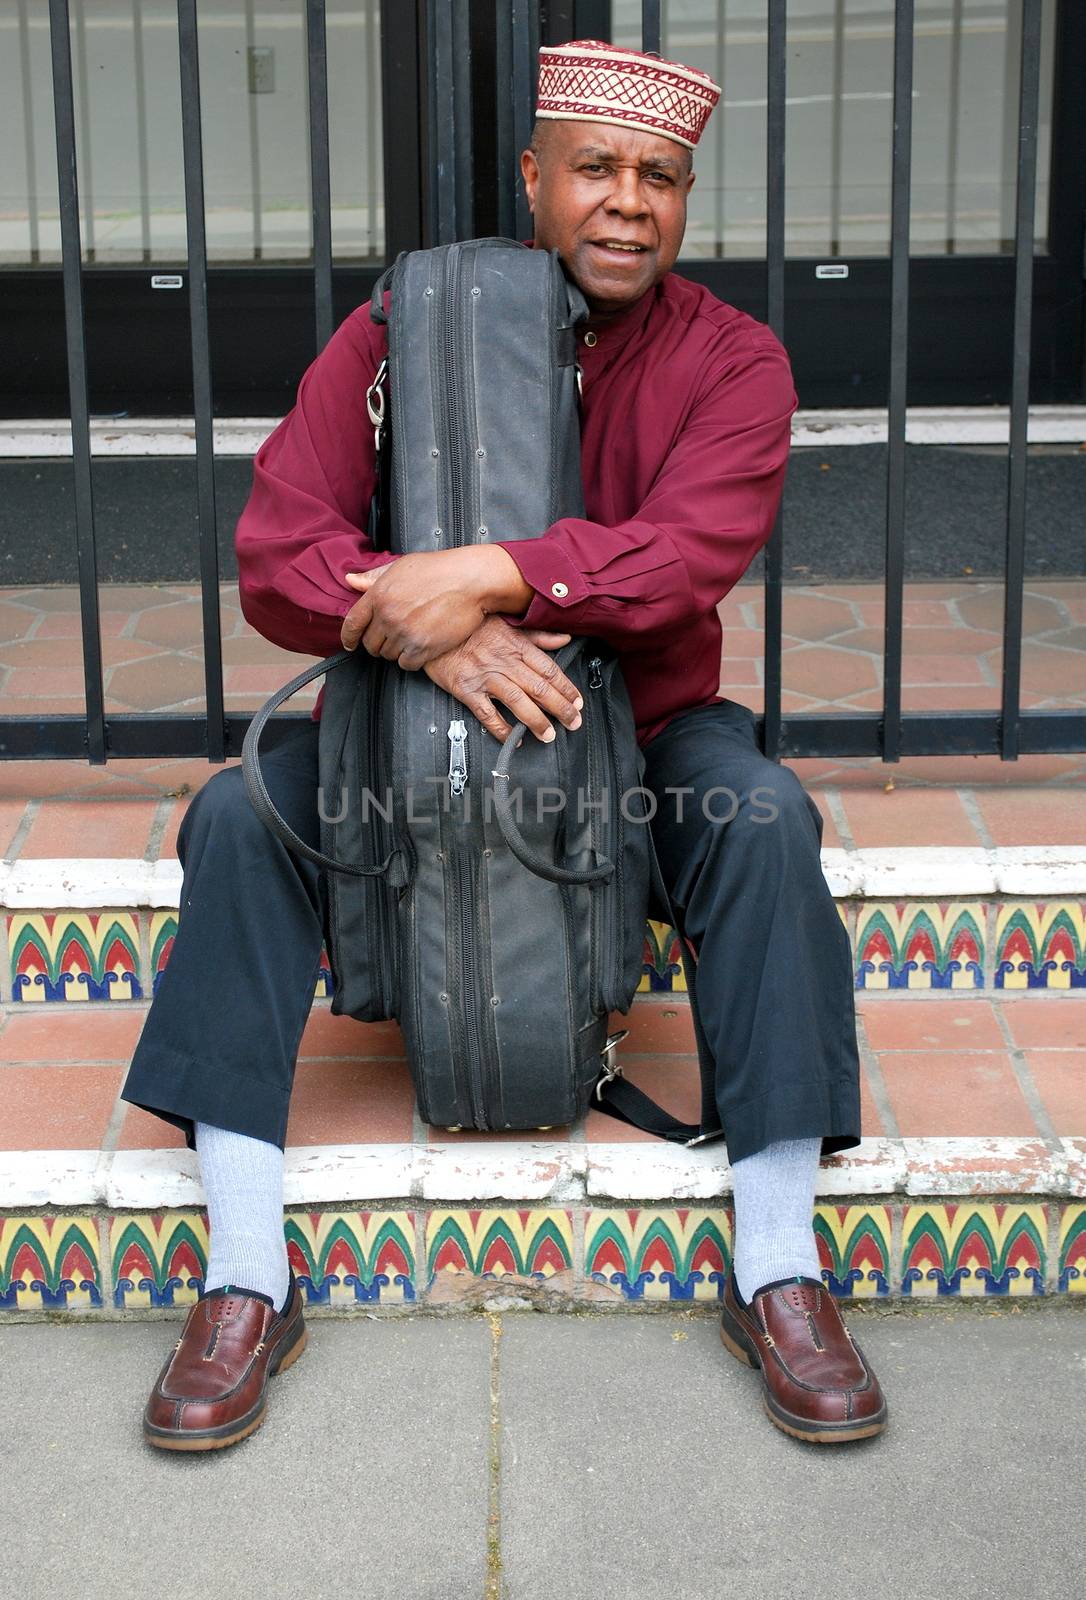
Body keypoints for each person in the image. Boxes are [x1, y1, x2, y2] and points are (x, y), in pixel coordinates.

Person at [125, 37, 886, 1452]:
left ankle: (779, 1263)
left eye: (659, 177)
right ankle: (244, 1275)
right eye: (593, 167)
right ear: (534, 180)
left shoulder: (735, 358)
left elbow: (678, 558)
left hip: (650, 737)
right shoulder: (403, 332)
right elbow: (281, 551)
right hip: (412, 731)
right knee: (240, 819)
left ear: (684, 200)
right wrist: (433, 632)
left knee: (765, 820)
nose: (625, 203)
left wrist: (482, 572)